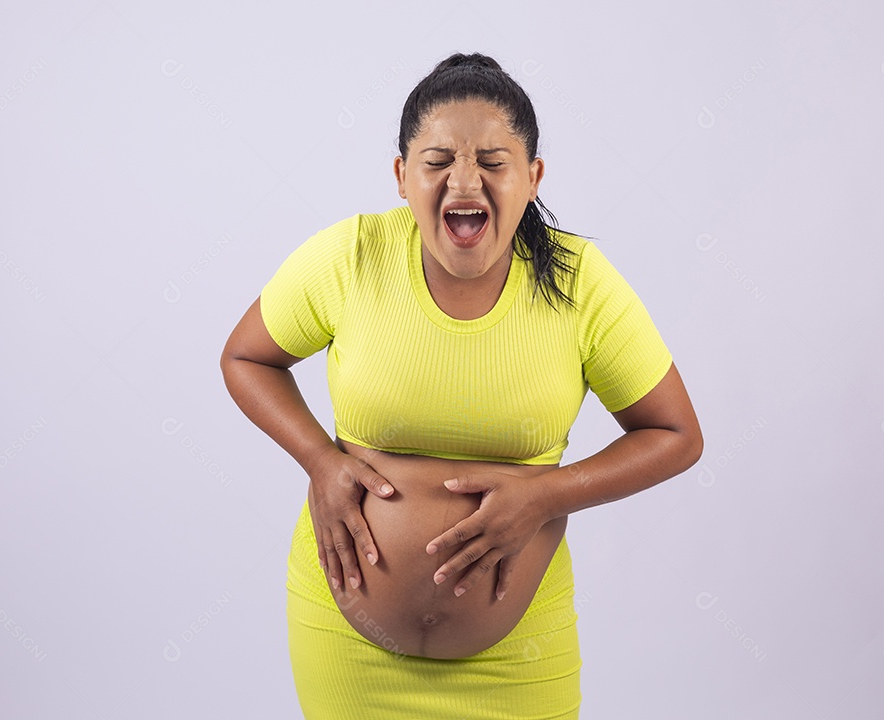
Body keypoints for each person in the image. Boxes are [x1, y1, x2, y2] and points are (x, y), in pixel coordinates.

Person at [220, 52, 703, 720]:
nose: (464, 181)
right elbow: (247, 358)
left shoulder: (581, 283)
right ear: (401, 176)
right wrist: (319, 461)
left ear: (532, 177)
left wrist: (545, 495)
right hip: (345, 648)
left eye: (493, 162)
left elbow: (675, 434)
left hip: (519, 660)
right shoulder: (349, 258)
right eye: (438, 161)